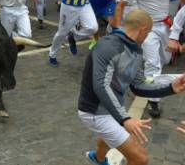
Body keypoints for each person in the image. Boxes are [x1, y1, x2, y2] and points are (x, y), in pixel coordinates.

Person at [78, 9, 185, 165]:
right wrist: (125, 119)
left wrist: (170, 88)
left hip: (112, 110)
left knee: (109, 137)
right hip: (95, 111)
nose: (147, 37)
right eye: (148, 33)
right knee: (140, 158)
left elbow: (138, 86)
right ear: (143, 30)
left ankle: (97, 159)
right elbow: (101, 85)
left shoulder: (136, 50)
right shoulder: (108, 46)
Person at [112, 0, 185, 118]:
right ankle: (154, 99)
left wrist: (179, 27)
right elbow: (120, 6)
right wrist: (117, 30)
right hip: (147, 28)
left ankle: (144, 74)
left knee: (165, 60)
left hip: (166, 26)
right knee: (153, 63)